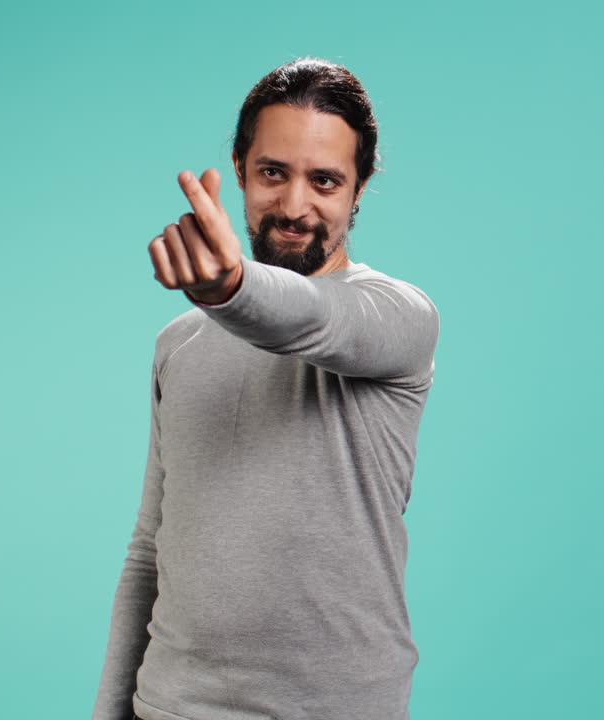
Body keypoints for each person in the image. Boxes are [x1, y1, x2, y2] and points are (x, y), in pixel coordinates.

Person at [91, 57, 440, 720]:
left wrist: (231, 289)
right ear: (241, 167)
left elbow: (311, 318)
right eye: (273, 173)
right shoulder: (179, 344)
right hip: (170, 706)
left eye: (326, 181)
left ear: (360, 188)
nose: (294, 206)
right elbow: (149, 550)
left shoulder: (399, 318)